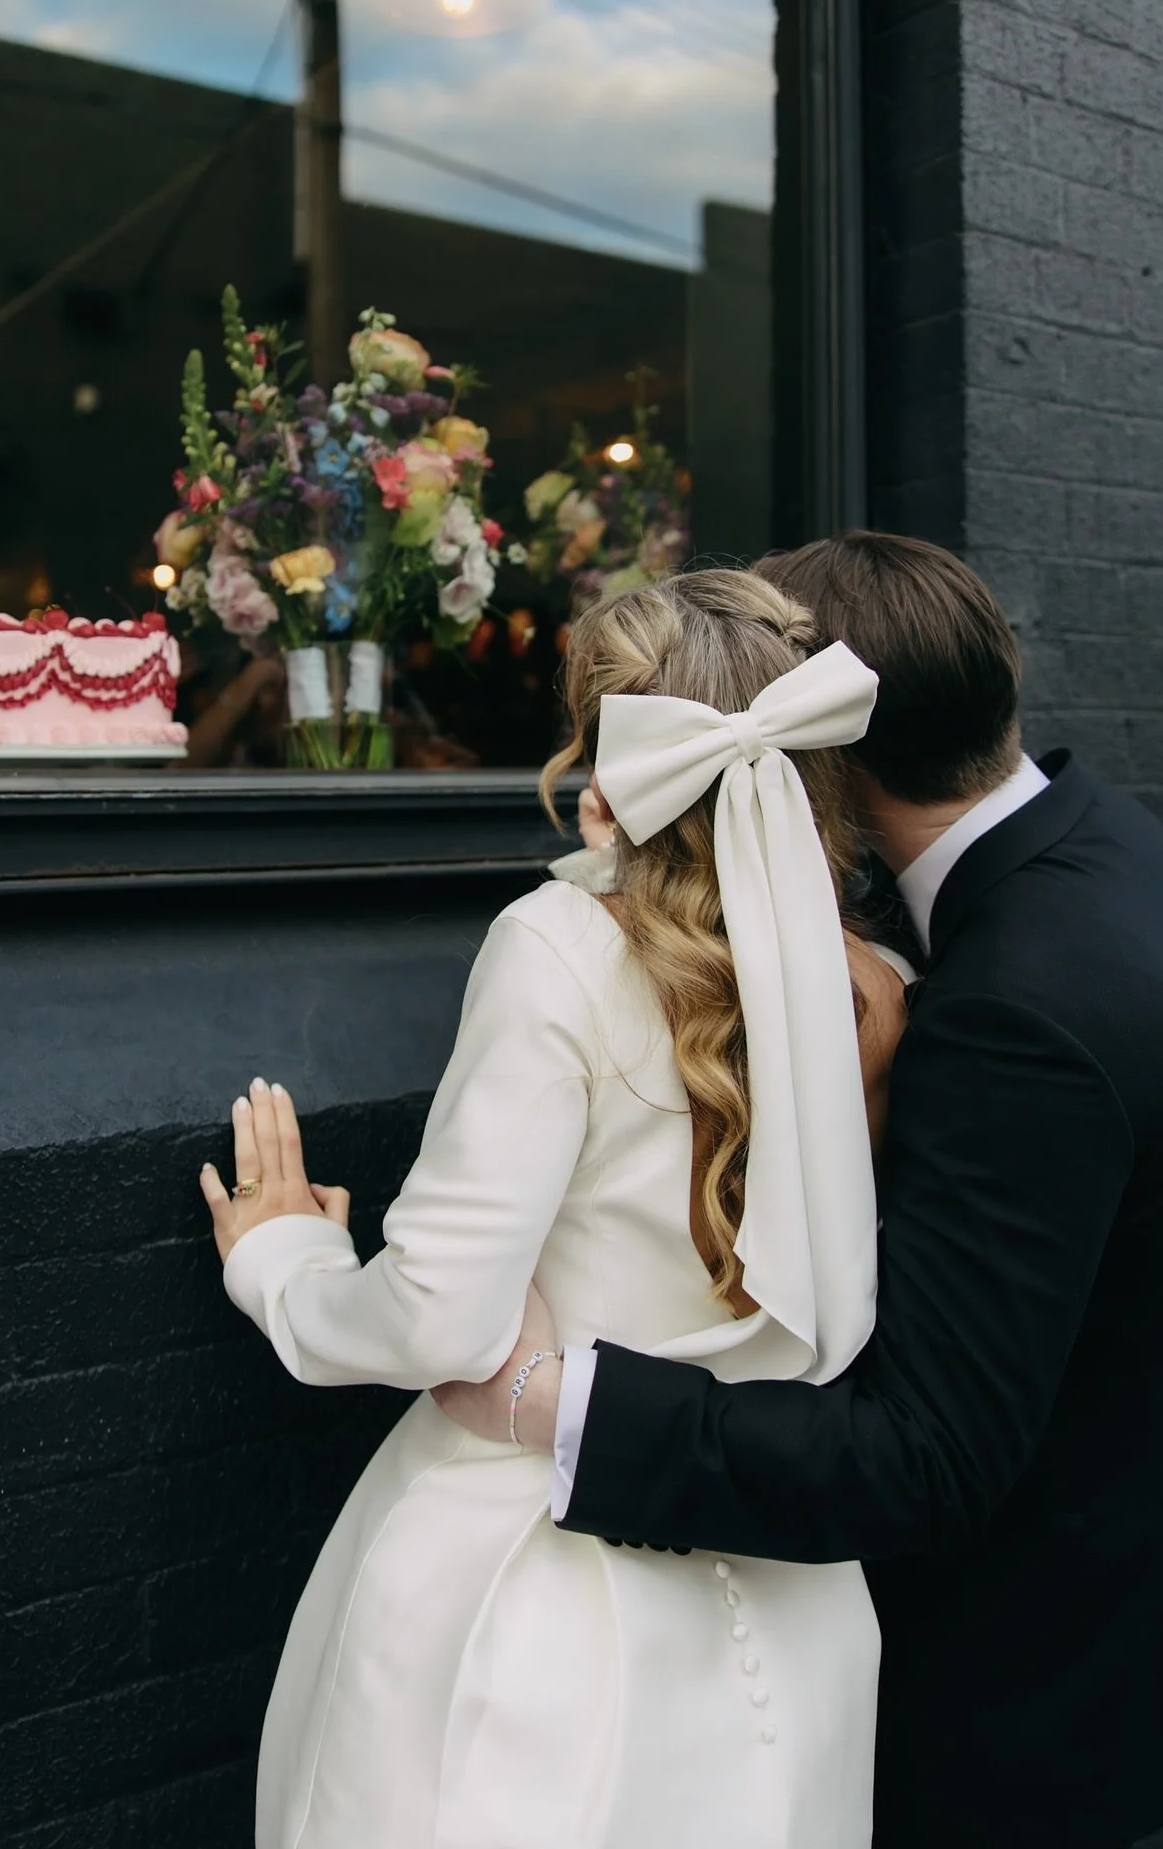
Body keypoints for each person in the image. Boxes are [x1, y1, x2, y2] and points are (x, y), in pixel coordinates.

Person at [437, 532, 1163, 1849]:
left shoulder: (1017, 1010)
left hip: (1036, 1714)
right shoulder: (1099, 839)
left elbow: (926, 1461)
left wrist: (559, 1403)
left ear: (820, 752)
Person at [201, 570, 911, 1848]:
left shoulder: (558, 947)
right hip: (792, 1615)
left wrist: (287, 1264)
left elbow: (439, 1324)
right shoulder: (868, 981)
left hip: (540, 1611)